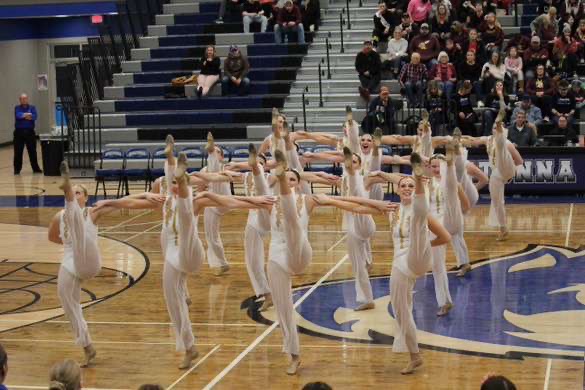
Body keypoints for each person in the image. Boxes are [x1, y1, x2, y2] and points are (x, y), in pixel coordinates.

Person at [47, 161, 127, 367]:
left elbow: (121, 203)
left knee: (78, 226)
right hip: (70, 257)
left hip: (88, 258)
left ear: (86, 197)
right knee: (67, 302)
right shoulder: (59, 216)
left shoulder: (93, 212)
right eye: (73, 192)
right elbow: (52, 236)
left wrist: (146, 199)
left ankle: (65, 183)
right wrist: (67, 245)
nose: (77, 194)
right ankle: (87, 347)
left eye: (78, 192)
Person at [464, 109, 524, 240]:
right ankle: (503, 228)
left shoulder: (507, 143)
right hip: (497, 172)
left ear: (503, 130)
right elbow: (474, 141)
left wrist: (513, 175)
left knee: (502, 147)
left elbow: (519, 161)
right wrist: (460, 139)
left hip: (507, 168)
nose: (495, 129)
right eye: (493, 127)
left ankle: (503, 228)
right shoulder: (487, 139)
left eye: (498, 127)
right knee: (497, 201)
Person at [13, 93, 42, 175]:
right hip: (19, 133)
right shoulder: (17, 108)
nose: (24, 100)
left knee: (32, 151)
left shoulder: (32, 107)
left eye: (25, 98)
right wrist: (27, 115)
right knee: (18, 152)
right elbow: (18, 116)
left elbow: (34, 116)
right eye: (22, 99)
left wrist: (25, 116)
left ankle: (36, 168)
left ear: (27, 99)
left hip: (30, 132)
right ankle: (17, 170)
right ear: (20, 100)